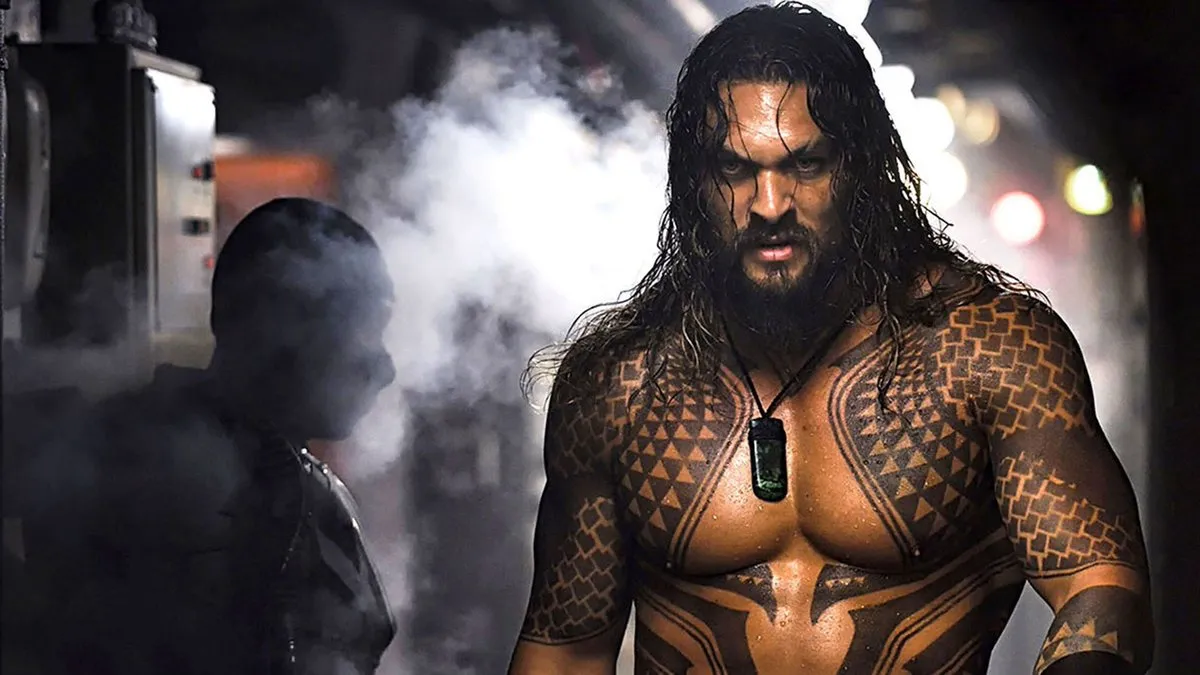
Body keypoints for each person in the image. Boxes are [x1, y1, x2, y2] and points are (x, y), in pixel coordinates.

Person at [508, 4, 1153, 674]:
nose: (769, 205)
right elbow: (567, 649)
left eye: (806, 164)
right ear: (692, 180)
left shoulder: (987, 350)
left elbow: (1099, 584)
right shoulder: (620, 384)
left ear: (861, 167)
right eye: (735, 169)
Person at [22, 198, 398, 674]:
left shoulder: (282, 475)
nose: (385, 368)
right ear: (278, 332)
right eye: (365, 330)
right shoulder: (167, 482)